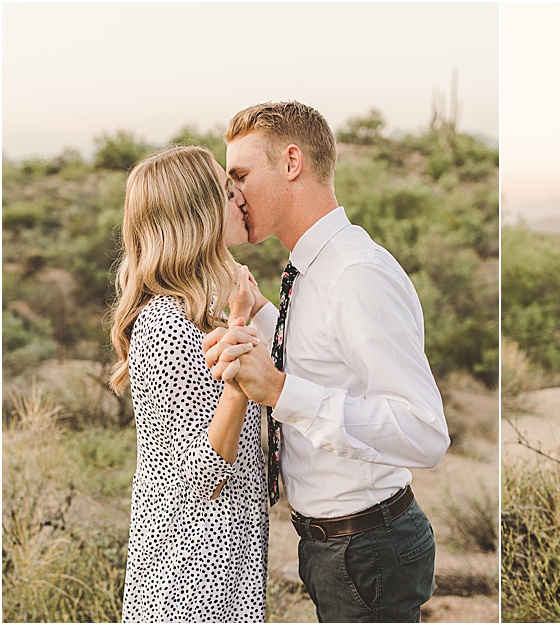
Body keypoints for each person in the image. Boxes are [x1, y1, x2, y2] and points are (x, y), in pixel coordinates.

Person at [202, 101, 451, 623]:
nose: (233, 194)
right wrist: (243, 300)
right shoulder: (309, 271)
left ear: (291, 163)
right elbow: (321, 356)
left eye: (241, 175)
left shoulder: (355, 274)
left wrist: (278, 391)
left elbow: (425, 432)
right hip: (333, 549)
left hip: (367, 552)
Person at [108, 145, 268, 622]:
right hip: (191, 579)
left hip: (226, 565)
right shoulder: (165, 323)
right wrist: (237, 386)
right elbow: (200, 477)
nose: (239, 195)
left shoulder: (204, 314)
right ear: (198, 214)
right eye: (225, 189)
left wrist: (247, 316)